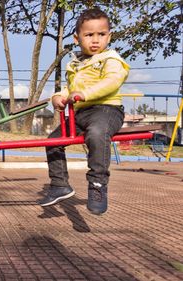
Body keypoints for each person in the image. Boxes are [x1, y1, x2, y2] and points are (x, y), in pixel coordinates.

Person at [38, 8, 129, 215]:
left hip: (107, 110)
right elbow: (69, 89)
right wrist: (57, 97)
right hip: (80, 115)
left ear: (109, 36)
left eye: (101, 34)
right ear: (77, 38)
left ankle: (97, 184)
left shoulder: (111, 59)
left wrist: (84, 94)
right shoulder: (75, 63)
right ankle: (59, 184)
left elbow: (111, 82)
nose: (95, 40)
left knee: (97, 134)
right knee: (52, 141)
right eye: (89, 35)